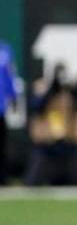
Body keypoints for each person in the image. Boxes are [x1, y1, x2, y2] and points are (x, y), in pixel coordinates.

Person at [24, 64, 77, 186]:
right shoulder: (45, 90)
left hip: (71, 145)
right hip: (47, 146)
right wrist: (50, 89)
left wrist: (75, 88)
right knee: (31, 184)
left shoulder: (71, 92)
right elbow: (36, 107)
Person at [0, 38, 15, 185]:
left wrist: (13, 96)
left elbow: (9, 76)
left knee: (3, 145)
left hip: (1, 108)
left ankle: (2, 178)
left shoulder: (5, 50)